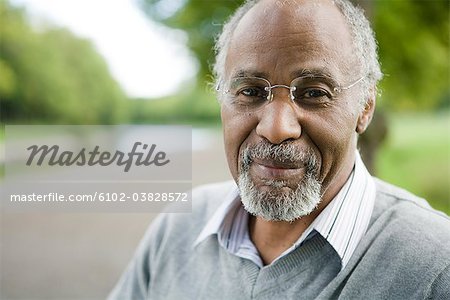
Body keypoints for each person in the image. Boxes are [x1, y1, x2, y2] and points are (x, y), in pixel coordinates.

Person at [109, 0, 450, 299]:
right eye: (251, 92)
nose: (275, 129)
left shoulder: (436, 265)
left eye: (314, 93)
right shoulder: (178, 229)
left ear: (365, 108)